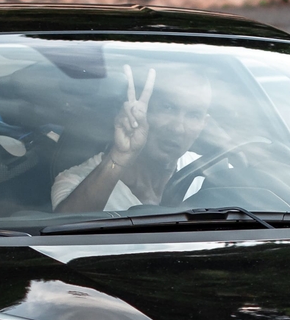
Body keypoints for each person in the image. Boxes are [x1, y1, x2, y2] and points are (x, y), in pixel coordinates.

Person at [50, 66, 224, 215]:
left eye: (194, 115)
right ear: (138, 110)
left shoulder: (210, 170)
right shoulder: (77, 182)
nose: (178, 128)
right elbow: (64, 232)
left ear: (204, 123)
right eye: (168, 108)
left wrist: (239, 152)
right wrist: (119, 157)